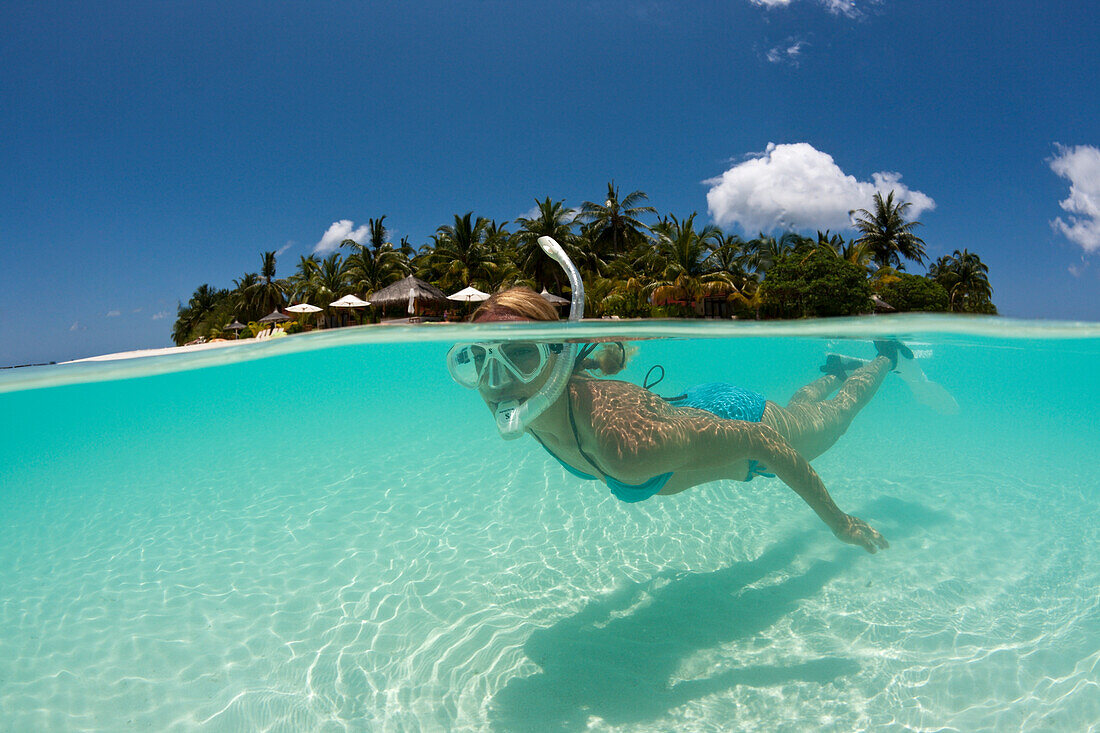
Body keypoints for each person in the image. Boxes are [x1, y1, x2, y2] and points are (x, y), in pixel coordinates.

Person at [446, 239, 896, 553]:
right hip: (691, 410)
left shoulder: (624, 445)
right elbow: (582, 367)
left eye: (520, 355)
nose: (496, 381)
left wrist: (840, 523)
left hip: (743, 424)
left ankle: (886, 358)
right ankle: (836, 369)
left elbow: (762, 439)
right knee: (801, 410)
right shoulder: (530, 408)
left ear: (557, 359)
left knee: (834, 416)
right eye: (480, 359)